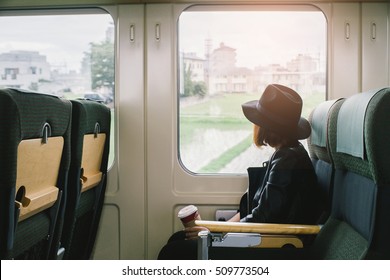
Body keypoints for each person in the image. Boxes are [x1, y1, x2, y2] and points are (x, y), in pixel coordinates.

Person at [158, 84, 320, 259]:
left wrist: (216, 236)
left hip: (271, 243)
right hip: (262, 235)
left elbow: (262, 220)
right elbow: (259, 211)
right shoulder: (287, 154)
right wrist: (215, 228)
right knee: (178, 239)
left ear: (266, 127)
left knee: (172, 252)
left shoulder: (289, 161)